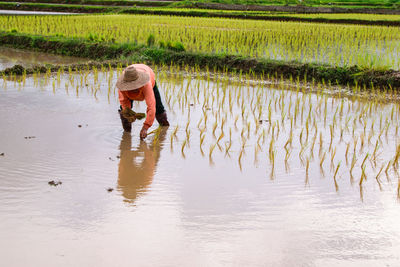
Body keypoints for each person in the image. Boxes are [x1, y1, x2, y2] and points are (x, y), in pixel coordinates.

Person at [116, 64, 169, 139]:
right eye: (131, 87)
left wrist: (145, 128)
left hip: (147, 75)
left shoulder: (146, 83)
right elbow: (124, 104)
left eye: (135, 86)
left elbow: (151, 107)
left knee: (158, 108)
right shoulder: (122, 87)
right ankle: (127, 134)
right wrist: (130, 115)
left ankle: (165, 128)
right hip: (128, 86)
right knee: (124, 113)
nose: (134, 89)